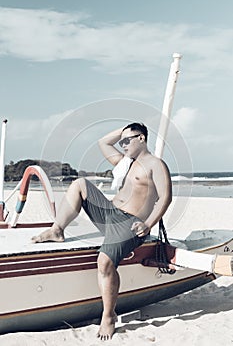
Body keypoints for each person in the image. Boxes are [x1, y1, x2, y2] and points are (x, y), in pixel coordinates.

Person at [32, 122, 172, 340]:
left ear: (142, 139)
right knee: (80, 184)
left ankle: (108, 315)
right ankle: (57, 230)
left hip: (129, 223)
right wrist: (126, 130)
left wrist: (148, 224)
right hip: (109, 214)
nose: (123, 144)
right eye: (122, 141)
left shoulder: (156, 164)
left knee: (104, 262)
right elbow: (103, 142)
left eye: (128, 141)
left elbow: (165, 197)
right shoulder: (126, 163)